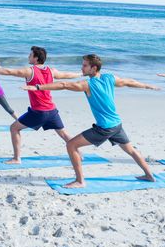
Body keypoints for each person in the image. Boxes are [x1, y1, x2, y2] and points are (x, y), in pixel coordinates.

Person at [23, 54, 158, 188]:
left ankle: (80, 181)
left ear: (93, 68)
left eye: (85, 65)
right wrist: (147, 86)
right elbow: (129, 82)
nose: (82, 68)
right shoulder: (109, 78)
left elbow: (64, 85)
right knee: (131, 150)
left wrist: (38, 87)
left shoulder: (87, 84)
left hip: (104, 128)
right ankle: (149, 175)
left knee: (71, 145)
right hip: (117, 124)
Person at [0, 46, 82, 164]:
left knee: (14, 128)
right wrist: (80, 73)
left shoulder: (29, 71)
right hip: (52, 110)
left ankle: (17, 158)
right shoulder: (52, 71)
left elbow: (9, 72)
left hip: (38, 112)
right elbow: (66, 75)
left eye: (30, 55)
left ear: (36, 58)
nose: (28, 57)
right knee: (63, 133)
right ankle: (78, 153)